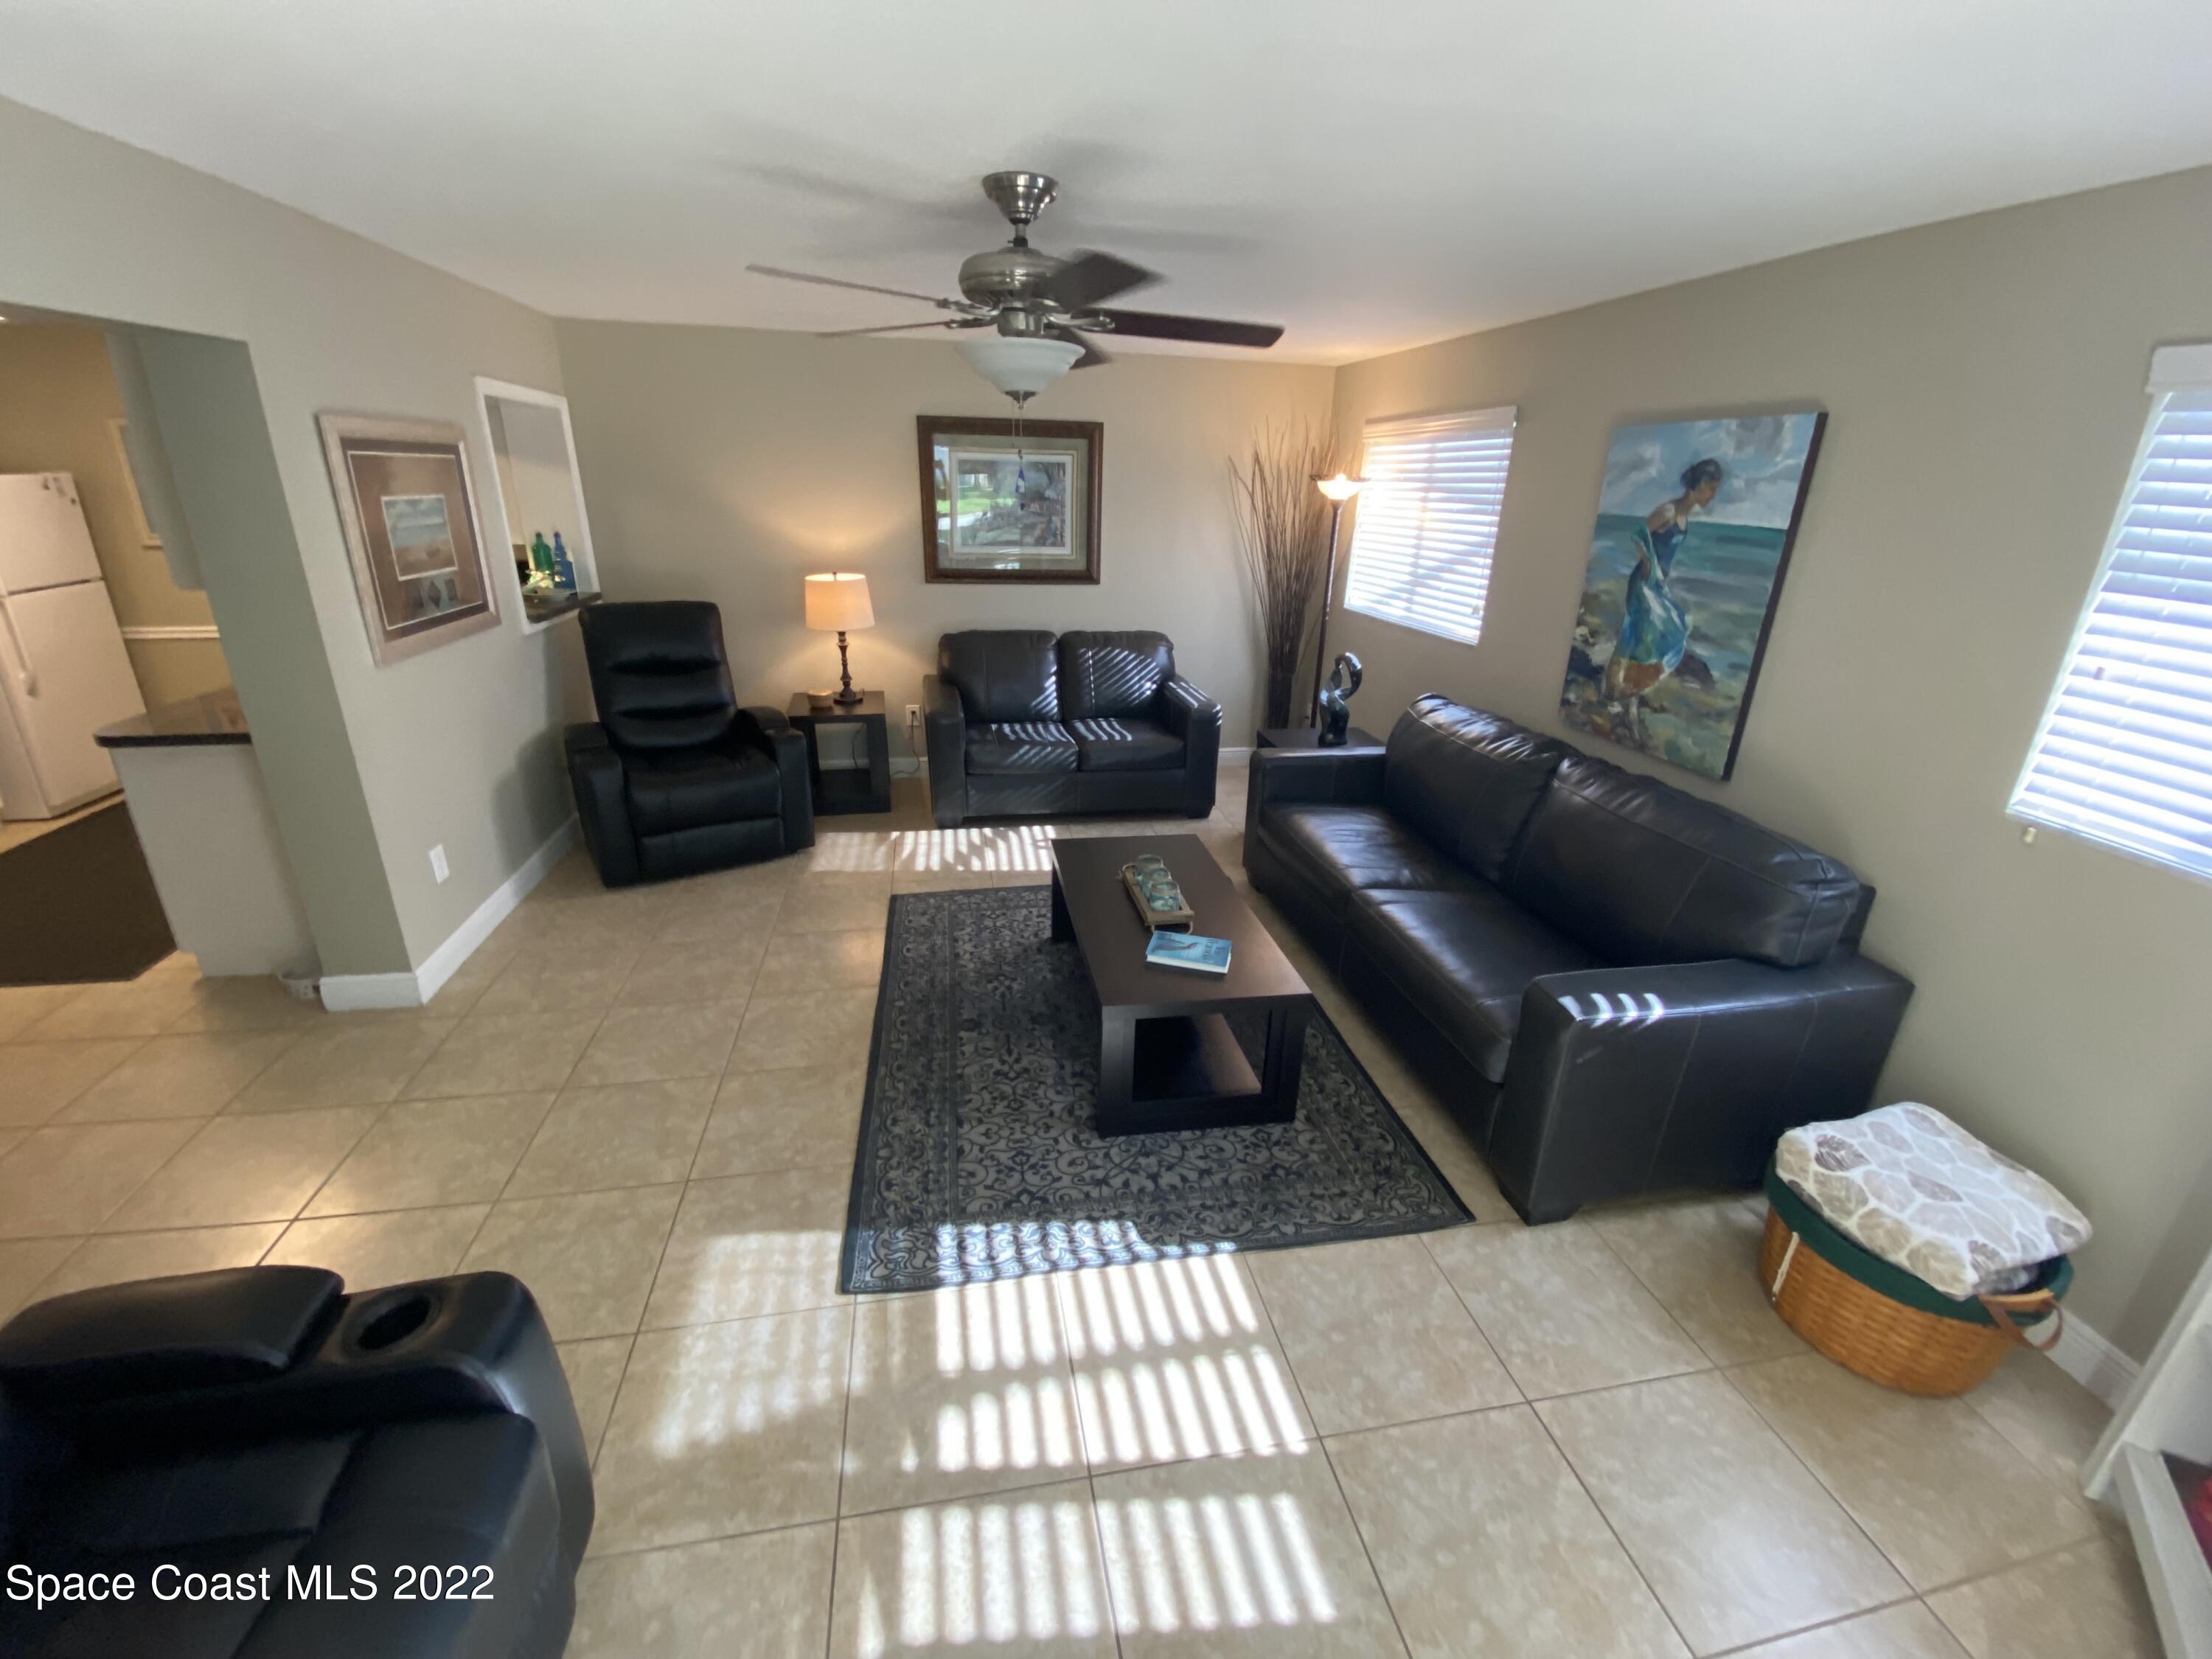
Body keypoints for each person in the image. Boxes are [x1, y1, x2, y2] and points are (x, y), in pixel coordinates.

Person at [1604, 456, 1721, 741]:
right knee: (1632, 636)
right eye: (1711, 489)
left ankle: (1629, 689)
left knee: (1669, 631)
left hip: (1657, 585)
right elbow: (1638, 533)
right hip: (1644, 582)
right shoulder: (1669, 511)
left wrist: (1660, 577)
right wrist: (1648, 563)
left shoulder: (1684, 518)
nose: (1713, 496)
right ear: (1700, 485)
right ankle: (1612, 696)